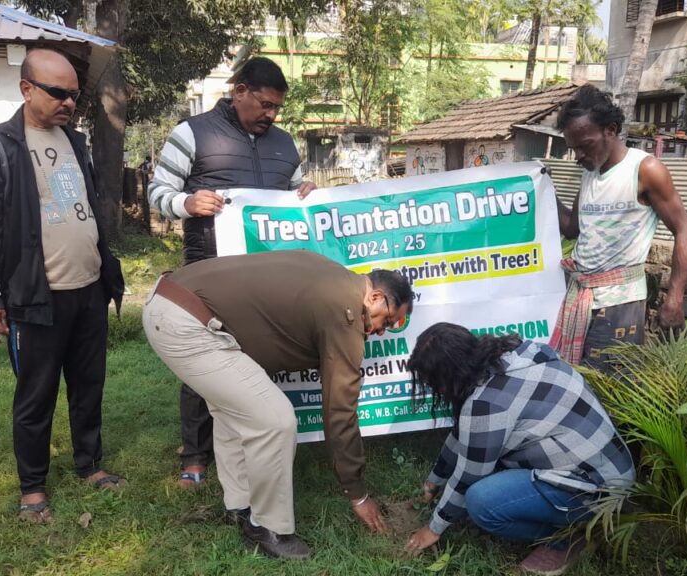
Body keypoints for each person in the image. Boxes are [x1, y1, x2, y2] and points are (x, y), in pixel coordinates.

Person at [142, 250, 413, 559]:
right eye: (388, 320)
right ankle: (268, 529)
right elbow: (340, 410)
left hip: (171, 300)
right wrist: (358, 494)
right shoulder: (346, 310)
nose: (381, 330)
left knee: (236, 413)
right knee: (276, 420)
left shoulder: (336, 277)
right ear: (375, 297)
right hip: (184, 322)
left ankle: (239, 507)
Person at [0, 48, 126, 524]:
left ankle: (89, 464)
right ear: (26, 88)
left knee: (88, 384)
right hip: (36, 298)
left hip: (89, 288)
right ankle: (33, 488)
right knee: (35, 396)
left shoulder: (75, 143)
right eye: (58, 92)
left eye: (74, 95)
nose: (69, 103)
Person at [148, 56, 316, 488]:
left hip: (266, 274)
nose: (270, 115)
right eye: (263, 104)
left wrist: (306, 193)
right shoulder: (192, 133)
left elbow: (296, 190)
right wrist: (186, 203)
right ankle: (196, 455)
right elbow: (157, 191)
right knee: (206, 359)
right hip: (209, 271)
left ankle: (260, 439)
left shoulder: (284, 143)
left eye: (277, 108)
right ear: (238, 90)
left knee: (262, 353)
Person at [403, 323, 634, 575]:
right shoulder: (520, 354)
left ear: (448, 376)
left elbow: (468, 476)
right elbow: (464, 434)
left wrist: (433, 528)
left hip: (598, 494)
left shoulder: (485, 405)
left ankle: (572, 535)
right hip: (613, 469)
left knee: (481, 502)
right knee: (488, 472)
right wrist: (434, 481)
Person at [551, 85, 687, 370]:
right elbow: (573, 229)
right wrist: (542, 191)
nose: (578, 155)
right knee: (581, 388)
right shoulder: (590, 173)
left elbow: (684, 231)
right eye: (573, 148)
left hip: (620, 306)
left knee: (610, 392)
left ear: (611, 130)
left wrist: (675, 298)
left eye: (585, 145)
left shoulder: (644, 169)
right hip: (582, 299)